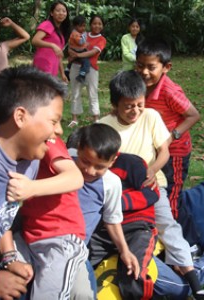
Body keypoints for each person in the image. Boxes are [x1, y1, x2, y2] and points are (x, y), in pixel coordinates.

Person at [100, 70, 204, 300]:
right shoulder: (103, 126)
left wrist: (153, 169)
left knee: (167, 225)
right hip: (119, 192)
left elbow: (164, 150)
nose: (135, 111)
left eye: (139, 104)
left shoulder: (151, 117)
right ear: (115, 104)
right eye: (128, 106)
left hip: (152, 185)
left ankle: (195, 283)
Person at [0, 65, 66, 299]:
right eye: (54, 121)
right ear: (20, 116)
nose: (59, 130)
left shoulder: (28, 159)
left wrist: (9, 256)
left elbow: (0, 215)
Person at [135, 38, 201, 246]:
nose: (145, 72)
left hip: (176, 153)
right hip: (155, 151)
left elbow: (193, 115)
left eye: (151, 67)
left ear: (166, 67)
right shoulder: (141, 85)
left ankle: (183, 242)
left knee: (171, 195)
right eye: (140, 66)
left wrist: (171, 136)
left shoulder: (169, 90)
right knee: (157, 189)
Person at [7, 135, 88, 300]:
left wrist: (32, 188)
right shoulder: (1, 150)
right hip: (27, 236)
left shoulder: (48, 141)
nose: (59, 129)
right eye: (54, 122)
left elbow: (75, 177)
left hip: (59, 239)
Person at [66, 124, 142, 299]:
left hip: (75, 250)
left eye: (99, 166)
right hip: (41, 238)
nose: (90, 170)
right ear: (78, 150)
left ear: (112, 161)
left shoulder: (111, 183)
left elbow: (112, 219)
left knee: (83, 294)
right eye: (85, 161)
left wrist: (124, 250)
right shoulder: (63, 162)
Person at [68, 15, 106, 127]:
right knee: (75, 92)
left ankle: (96, 118)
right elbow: (71, 44)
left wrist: (77, 54)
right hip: (75, 66)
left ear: (102, 26)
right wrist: (71, 53)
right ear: (90, 24)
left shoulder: (102, 39)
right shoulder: (81, 34)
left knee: (92, 93)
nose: (97, 26)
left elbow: (93, 52)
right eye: (94, 23)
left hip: (92, 69)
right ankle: (74, 118)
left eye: (99, 24)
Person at [32, 0, 71, 82]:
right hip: (43, 63)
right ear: (52, 13)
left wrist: (63, 74)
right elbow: (35, 40)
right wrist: (52, 45)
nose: (61, 13)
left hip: (53, 66)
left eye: (64, 11)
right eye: (58, 10)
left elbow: (58, 54)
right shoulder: (47, 24)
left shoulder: (59, 32)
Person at [66, 15, 90, 84]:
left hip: (75, 50)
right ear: (75, 26)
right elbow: (81, 42)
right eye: (81, 26)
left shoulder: (75, 33)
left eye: (84, 26)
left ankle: (67, 70)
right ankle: (81, 75)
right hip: (78, 51)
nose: (83, 28)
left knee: (71, 60)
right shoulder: (75, 34)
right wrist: (85, 35)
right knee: (86, 62)